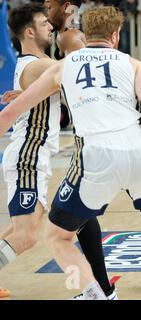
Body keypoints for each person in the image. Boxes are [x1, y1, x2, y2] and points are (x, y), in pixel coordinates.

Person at [0, 5, 141, 300]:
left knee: (56, 236)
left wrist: (25, 95)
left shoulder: (64, 66)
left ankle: (96, 293)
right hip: (139, 152)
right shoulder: (133, 63)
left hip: (95, 158)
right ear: (115, 34)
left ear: (85, 34)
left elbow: (8, 117)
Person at [0, 2, 58, 300]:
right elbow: (75, 72)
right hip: (28, 156)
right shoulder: (39, 66)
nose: (51, 26)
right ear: (30, 31)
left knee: (22, 228)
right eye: (44, 22)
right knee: (26, 236)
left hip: (35, 156)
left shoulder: (37, 65)